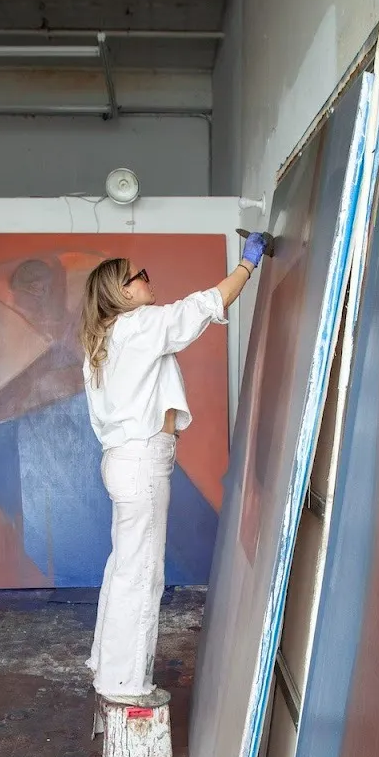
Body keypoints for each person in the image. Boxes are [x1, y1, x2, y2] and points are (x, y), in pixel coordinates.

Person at [81, 233, 272, 706]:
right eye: (138, 276)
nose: (148, 280)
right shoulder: (140, 325)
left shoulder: (102, 340)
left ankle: (109, 669)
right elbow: (205, 305)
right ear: (122, 291)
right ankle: (127, 686)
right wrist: (248, 265)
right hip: (142, 462)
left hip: (122, 461)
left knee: (124, 566)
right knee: (142, 572)